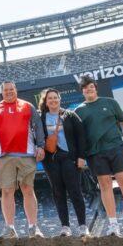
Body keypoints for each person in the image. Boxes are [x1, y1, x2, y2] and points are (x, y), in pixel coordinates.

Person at [74, 77, 123, 236]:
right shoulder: (78, 111)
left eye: (90, 86)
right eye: (85, 88)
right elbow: (77, 136)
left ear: (95, 88)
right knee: (105, 185)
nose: (88, 89)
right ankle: (113, 226)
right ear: (82, 91)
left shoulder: (110, 103)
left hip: (116, 148)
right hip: (95, 153)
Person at [0, 81, 45, 239]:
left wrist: (41, 145)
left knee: (27, 189)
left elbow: (37, 125)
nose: (9, 92)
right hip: (4, 155)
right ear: (2, 92)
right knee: (7, 190)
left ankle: (33, 227)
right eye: (6, 90)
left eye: (11, 89)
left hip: (26, 153)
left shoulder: (27, 106)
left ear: (16, 90)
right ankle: (10, 228)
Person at [38, 88, 89, 237]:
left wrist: (81, 156)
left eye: (55, 97)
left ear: (60, 99)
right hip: (51, 160)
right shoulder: (41, 118)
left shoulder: (70, 115)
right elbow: (37, 138)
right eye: (50, 98)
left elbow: (81, 136)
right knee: (58, 193)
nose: (53, 100)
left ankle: (82, 225)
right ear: (45, 102)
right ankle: (65, 226)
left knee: (75, 191)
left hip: (70, 158)